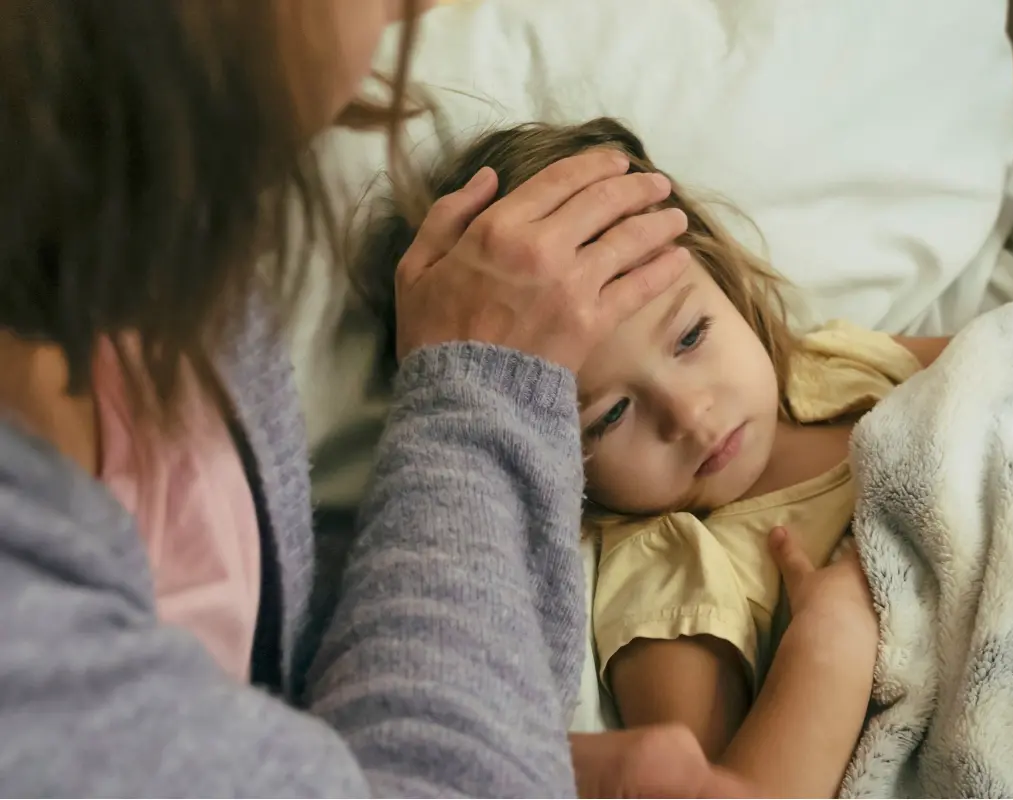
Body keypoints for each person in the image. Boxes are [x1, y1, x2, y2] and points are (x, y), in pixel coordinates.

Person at [0, 1, 753, 795]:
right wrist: (483, 387)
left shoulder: (162, 239)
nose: (422, 7)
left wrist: (519, 752)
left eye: (692, 335)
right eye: (608, 414)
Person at [357, 117, 953, 797]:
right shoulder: (670, 565)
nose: (688, 415)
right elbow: (721, 788)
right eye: (610, 415)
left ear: (720, 273)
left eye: (691, 334)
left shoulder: (832, 364)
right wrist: (828, 640)